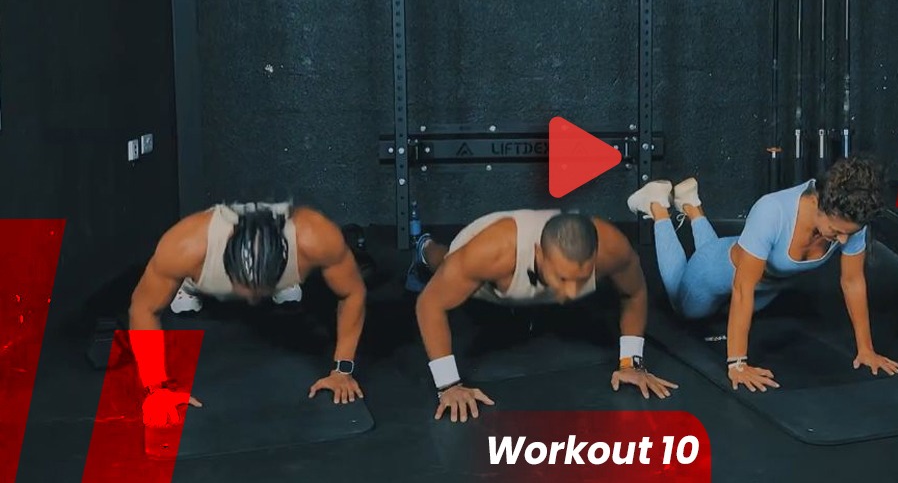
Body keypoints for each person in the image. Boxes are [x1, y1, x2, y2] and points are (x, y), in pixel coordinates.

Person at [626, 156, 898, 393]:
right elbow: (742, 288)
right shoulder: (774, 210)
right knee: (685, 308)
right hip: (718, 270)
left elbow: (852, 281)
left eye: (848, 234)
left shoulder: (852, 219)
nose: (842, 240)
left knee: (725, 311)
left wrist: (866, 350)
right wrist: (737, 364)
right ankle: (657, 206)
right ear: (821, 204)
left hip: (765, 287)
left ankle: (691, 205)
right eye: (836, 231)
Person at [413, 210, 678, 422]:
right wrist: (449, 385)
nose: (571, 293)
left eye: (581, 280)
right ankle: (425, 247)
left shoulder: (612, 249)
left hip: (529, 258)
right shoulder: (492, 252)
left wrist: (631, 364)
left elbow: (634, 293)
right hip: (492, 268)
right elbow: (429, 304)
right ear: (539, 254)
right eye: (562, 279)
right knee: (443, 263)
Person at [127, 201, 368, 426]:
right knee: (194, 280)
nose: (252, 300)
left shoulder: (315, 237)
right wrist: (155, 389)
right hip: (206, 269)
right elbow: (143, 307)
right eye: (248, 289)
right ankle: (189, 287)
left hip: (285, 265)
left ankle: (281, 283)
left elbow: (353, 293)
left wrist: (342, 370)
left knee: (286, 286)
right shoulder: (186, 245)